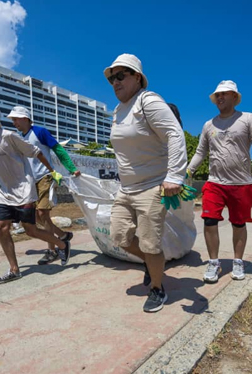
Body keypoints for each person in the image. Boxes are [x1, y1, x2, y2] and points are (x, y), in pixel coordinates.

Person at [104, 53, 187, 312]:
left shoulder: (147, 101)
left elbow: (175, 134)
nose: (115, 82)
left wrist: (174, 176)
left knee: (150, 243)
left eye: (121, 76)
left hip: (152, 186)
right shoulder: (118, 111)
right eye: (111, 78)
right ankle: (154, 266)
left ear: (137, 78)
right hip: (126, 189)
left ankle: (157, 288)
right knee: (119, 236)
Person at [0, 103, 70, 285]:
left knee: (30, 229)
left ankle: (62, 245)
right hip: (5, 192)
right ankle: (14, 270)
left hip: (24, 188)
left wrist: (52, 171)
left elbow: (36, 152)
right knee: (2, 227)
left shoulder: (9, 137)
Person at [187, 80, 252, 283]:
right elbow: (201, 152)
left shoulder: (247, 118)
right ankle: (214, 262)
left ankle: (238, 261)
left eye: (225, 94)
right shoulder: (209, 125)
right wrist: (187, 171)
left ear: (235, 97)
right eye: (218, 95)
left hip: (241, 183)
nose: (220, 97)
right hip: (215, 182)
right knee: (209, 219)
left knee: (238, 224)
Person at [7, 106, 80, 266]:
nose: (14, 122)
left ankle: (52, 250)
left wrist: (71, 168)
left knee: (42, 213)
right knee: (37, 217)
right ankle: (62, 236)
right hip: (30, 181)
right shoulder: (20, 137)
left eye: (16, 119)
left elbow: (58, 149)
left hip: (45, 177)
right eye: (12, 119)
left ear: (26, 118)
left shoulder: (40, 132)